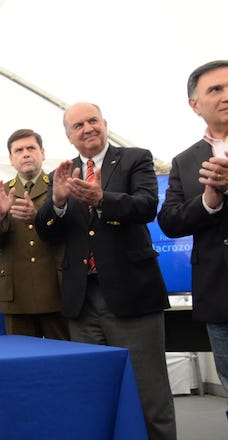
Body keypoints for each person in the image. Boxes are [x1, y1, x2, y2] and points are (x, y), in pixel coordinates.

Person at [34, 102, 176, 439]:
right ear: (69, 137)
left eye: (92, 121)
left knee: (148, 394)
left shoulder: (134, 158)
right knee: (95, 391)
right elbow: (47, 232)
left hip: (132, 295)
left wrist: (102, 199)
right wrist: (57, 202)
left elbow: (145, 206)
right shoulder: (64, 172)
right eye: (78, 125)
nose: (87, 129)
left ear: (105, 123)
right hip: (82, 301)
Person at [157, 60, 228, 417]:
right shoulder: (185, 161)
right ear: (195, 104)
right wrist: (208, 202)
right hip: (219, 291)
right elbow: (169, 221)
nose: (225, 95)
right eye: (215, 89)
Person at [0, 129, 68, 340]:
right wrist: (0, 217)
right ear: (11, 159)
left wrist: (38, 217)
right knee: (22, 363)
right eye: (18, 150)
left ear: (43, 153)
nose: (26, 154)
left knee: (61, 359)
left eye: (31, 148)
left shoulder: (60, 187)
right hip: (16, 294)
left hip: (56, 289)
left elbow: (73, 230)